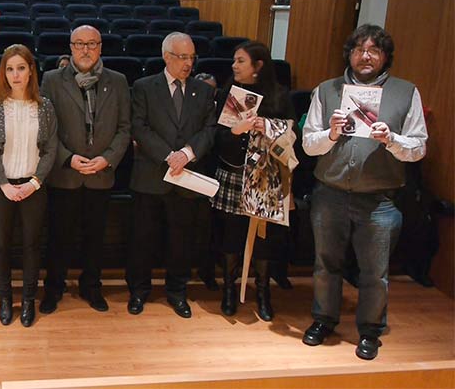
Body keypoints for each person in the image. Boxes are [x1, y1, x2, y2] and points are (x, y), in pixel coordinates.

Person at [301, 25, 427, 360]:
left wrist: (392, 140)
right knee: (325, 264)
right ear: (350, 54)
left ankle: (370, 331)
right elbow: (308, 144)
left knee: (375, 272)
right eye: (358, 49)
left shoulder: (405, 92)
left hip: (379, 200)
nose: (365, 55)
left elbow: (418, 148)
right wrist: (329, 133)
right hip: (330, 193)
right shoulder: (327, 90)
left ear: (385, 56)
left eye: (373, 49)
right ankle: (323, 320)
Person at [39, 25, 131, 314]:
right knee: (58, 237)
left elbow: (125, 128)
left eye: (92, 43)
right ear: (70, 47)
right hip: (65, 174)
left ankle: (91, 287)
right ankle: (53, 289)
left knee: (95, 237)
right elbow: (45, 129)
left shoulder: (117, 81)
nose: (86, 49)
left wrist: (108, 158)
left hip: (101, 175)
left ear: (101, 47)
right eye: (79, 44)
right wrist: (67, 158)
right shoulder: (52, 80)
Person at [125, 32, 216, 318]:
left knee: (181, 241)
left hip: (187, 179)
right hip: (151, 176)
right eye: (182, 57)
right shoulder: (143, 87)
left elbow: (210, 129)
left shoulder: (203, 91)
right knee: (143, 239)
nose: (188, 63)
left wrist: (187, 154)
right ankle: (138, 291)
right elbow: (139, 127)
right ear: (167, 57)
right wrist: (168, 156)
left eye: (191, 57)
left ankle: (177, 292)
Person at [211, 41, 296, 321]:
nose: (234, 66)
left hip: (264, 178)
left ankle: (262, 292)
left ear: (258, 66)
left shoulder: (279, 97)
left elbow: (292, 137)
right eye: (234, 61)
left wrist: (267, 127)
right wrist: (237, 131)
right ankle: (229, 291)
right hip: (234, 173)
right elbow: (218, 138)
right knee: (231, 236)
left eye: (240, 61)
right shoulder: (230, 93)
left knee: (264, 240)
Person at [0, 45, 58, 327]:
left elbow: (51, 149)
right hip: (1, 187)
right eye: (10, 69)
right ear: (3, 73)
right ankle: (4, 298)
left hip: (33, 187)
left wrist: (35, 182)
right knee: (0, 245)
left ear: (30, 71)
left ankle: (27, 299)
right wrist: (3, 184)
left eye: (21, 68)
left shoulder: (45, 106)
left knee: (31, 245)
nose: (16, 75)